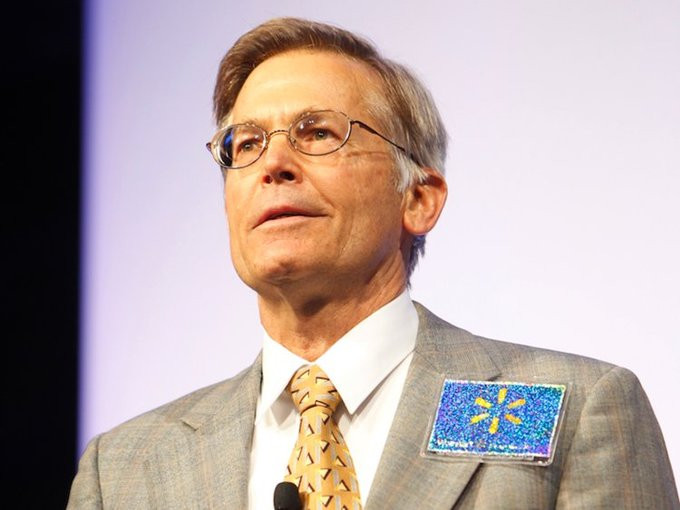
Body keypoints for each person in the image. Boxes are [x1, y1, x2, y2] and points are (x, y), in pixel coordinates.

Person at [67, 17, 678, 509]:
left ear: (418, 198)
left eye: (317, 133)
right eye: (246, 143)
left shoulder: (569, 409)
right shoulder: (123, 468)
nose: (272, 164)